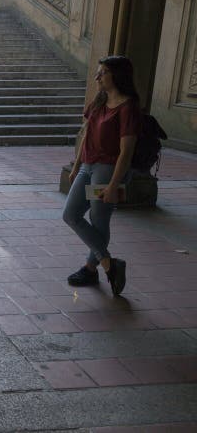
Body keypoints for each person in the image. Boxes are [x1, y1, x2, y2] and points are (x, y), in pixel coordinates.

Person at [63, 56, 141, 296]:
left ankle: (90, 268)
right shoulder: (99, 100)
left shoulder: (128, 107)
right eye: (98, 72)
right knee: (71, 214)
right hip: (88, 165)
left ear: (116, 76)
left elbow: (126, 151)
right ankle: (109, 264)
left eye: (103, 72)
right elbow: (86, 135)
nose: (97, 76)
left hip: (107, 170)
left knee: (99, 219)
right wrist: (76, 165)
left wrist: (113, 184)